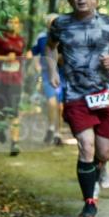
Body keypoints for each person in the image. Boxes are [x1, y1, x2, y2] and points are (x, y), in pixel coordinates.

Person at [47, 0, 109, 217]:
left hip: (104, 93)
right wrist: (52, 71)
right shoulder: (60, 24)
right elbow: (50, 48)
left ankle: (102, 164)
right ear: (70, 0)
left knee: (103, 151)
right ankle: (89, 203)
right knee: (86, 146)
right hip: (75, 94)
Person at [0, 16, 28, 156]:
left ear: (19, 25)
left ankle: (14, 143)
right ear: (6, 24)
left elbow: (23, 57)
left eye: (16, 22)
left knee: (14, 109)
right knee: (3, 109)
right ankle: (0, 128)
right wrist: (5, 58)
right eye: (10, 21)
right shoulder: (0, 38)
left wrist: (25, 57)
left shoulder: (22, 40)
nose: (13, 24)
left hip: (16, 80)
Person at [31, 13, 64, 145]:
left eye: (55, 21)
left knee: (61, 106)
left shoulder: (66, 36)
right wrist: (37, 65)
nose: (53, 23)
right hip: (47, 74)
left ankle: (57, 133)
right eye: (50, 21)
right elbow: (33, 53)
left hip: (63, 75)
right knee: (52, 102)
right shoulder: (41, 37)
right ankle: (50, 128)